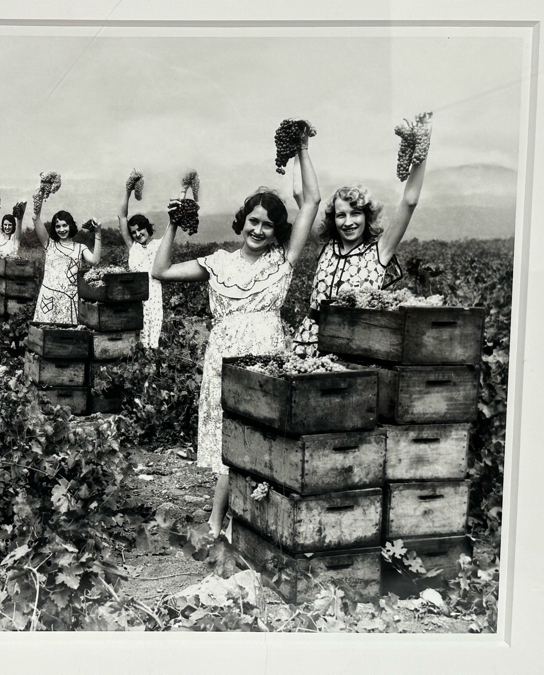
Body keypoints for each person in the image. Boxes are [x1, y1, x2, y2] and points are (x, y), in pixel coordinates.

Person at [151, 128, 321, 538]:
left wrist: (300, 149)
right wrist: (172, 227)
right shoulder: (218, 263)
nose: (258, 229)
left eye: (267, 225)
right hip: (224, 356)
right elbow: (160, 272)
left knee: (260, 437)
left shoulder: (284, 260)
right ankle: (217, 520)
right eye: (253, 221)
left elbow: (312, 201)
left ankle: (244, 521)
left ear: (277, 231)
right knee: (231, 439)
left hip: (265, 355)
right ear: (242, 221)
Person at [292, 112, 433, 356]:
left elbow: (409, 201)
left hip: (356, 346)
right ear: (333, 220)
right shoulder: (324, 246)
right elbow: (299, 193)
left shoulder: (380, 250)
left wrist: (422, 143)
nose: (348, 222)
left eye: (355, 213)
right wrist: (301, 147)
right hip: (310, 343)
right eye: (341, 215)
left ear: (367, 216)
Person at [32, 192, 102, 324]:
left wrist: (98, 232)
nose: (61, 229)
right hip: (49, 299)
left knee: (67, 340)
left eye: (64, 225)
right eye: (58, 226)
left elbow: (95, 260)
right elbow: (36, 218)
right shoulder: (49, 244)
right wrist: (40, 195)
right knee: (46, 336)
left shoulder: (80, 248)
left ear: (71, 226)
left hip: (70, 301)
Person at [117, 181, 163, 349]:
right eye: (133, 232)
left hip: (153, 295)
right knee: (134, 335)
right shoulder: (133, 246)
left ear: (147, 227)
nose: (137, 234)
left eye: (139, 230)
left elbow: (173, 225)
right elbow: (122, 217)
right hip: (134, 296)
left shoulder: (159, 245)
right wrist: (128, 190)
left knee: (151, 337)